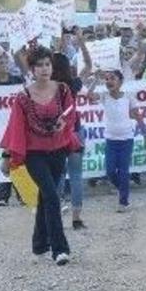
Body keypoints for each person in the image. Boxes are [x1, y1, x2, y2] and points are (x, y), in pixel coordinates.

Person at [0, 48, 79, 265]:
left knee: (45, 196)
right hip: (35, 154)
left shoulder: (62, 90)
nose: (44, 69)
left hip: (58, 149)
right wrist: (7, 155)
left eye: (47, 64)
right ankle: (59, 249)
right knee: (52, 197)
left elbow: (71, 114)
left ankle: (39, 244)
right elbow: (15, 128)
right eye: (39, 65)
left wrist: (64, 123)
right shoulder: (23, 97)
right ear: (32, 69)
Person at [50, 32, 94, 229]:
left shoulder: (47, 86)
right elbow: (89, 65)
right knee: (76, 175)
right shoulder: (73, 83)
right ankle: (76, 218)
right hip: (75, 131)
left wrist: (59, 45)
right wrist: (81, 43)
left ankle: (57, 212)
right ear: (67, 67)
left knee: (58, 175)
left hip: (56, 134)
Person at [95, 70, 146, 211]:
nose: (109, 81)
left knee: (124, 171)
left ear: (120, 81)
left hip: (126, 139)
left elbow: (137, 116)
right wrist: (96, 79)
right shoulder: (104, 97)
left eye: (112, 78)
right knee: (110, 171)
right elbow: (89, 95)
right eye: (106, 79)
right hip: (111, 140)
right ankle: (122, 188)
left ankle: (123, 201)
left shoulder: (128, 97)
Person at [0, 52, 24, 206]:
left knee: (18, 157)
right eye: (0, 63)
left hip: (16, 126)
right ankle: (2, 196)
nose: (4, 65)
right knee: (0, 157)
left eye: (6, 62)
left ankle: (22, 194)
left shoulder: (17, 81)